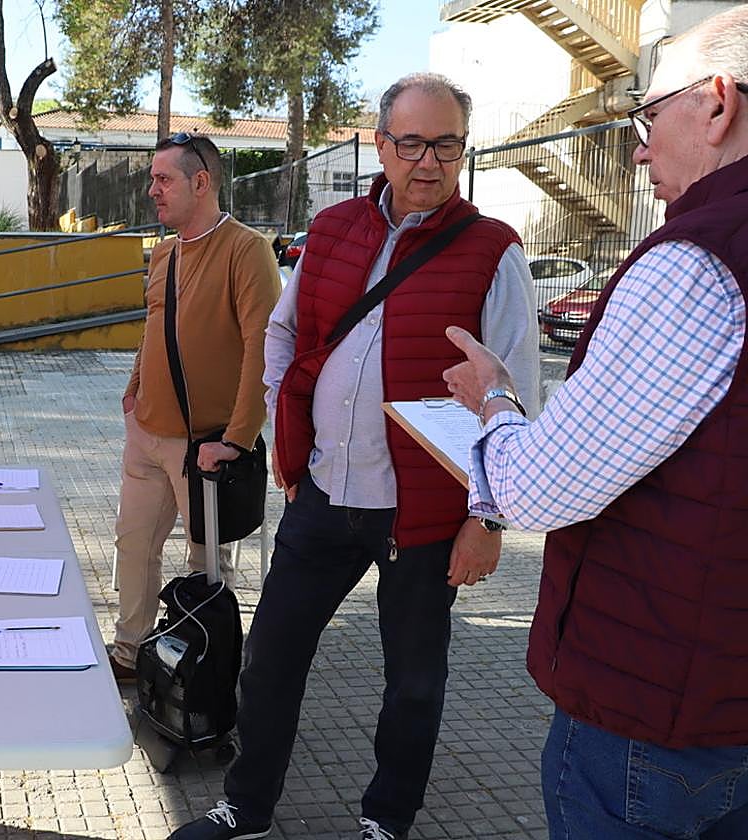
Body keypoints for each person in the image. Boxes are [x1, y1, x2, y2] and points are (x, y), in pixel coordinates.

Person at [170, 74, 540, 840]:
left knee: (411, 685)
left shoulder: (492, 251)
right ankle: (247, 807)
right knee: (269, 661)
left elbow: (519, 396)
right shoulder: (333, 229)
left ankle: (384, 822)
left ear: (462, 150)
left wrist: (490, 520)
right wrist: (289, 418)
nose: (429, 161)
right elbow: (280, 332)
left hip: (426, 514)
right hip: (323, 498)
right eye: (412, 142)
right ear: (381, 145)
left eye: (446, 144)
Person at [442, 8, 748, 837]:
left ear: (717, 104)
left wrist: (495, 401)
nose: (640, 147)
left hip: (657, 721)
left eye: (649, 115)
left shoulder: (694, 263)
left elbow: (537, 492)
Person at [108, 133, 280, 681]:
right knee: (133, 546)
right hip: (146, 434)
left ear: (200, 182)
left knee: (207, 565)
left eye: (164, 180)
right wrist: (135, 387)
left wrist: (237, 436)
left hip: (204, 444)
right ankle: (130, 651)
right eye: (153, 179)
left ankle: (208, 666)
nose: (151, 190)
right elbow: (154, 328)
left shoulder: (246, 249)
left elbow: (263, 345)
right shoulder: (163, 252)